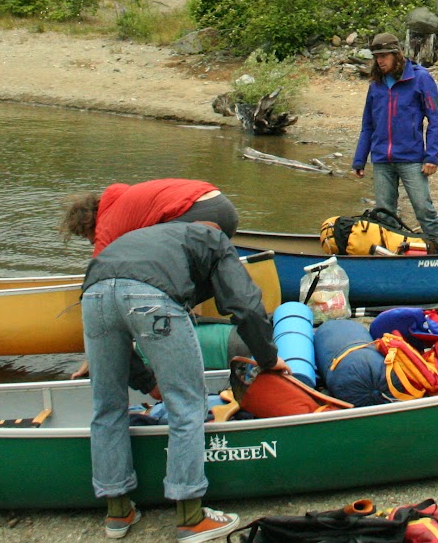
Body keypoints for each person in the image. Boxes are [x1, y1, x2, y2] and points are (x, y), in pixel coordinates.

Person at [80, 217, 288, 541]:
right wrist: (268, 358)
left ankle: (118, 512)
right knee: (187, 404)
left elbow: (118, 301)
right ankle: (191, 518)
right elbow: (245, 306)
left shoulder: (153, 237)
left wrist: (148, 383)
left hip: (93, 293)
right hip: (149, 296)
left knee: (107, 406)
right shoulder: (215, 242)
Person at [351, 32, 438, 248]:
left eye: (384, 56)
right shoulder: (376, 84)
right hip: (381, 159)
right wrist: (359, 159)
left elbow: (435, 119)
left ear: (397, 54)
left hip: (412, 158)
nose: (380, 61)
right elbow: (368, 125)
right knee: (384, 215)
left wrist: (431, 156)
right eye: (377, 57)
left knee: (423, 209)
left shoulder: (420, 78)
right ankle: (391, 252)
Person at [60, 179, 238, 256]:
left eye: (86, 235)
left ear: (88, 223)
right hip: (225, 209)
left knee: (166, 266)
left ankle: (184, 314)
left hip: (199, 212)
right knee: (195, 264)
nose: (91, 241)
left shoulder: (108, 223)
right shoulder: (123, 202)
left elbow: (101, 266)